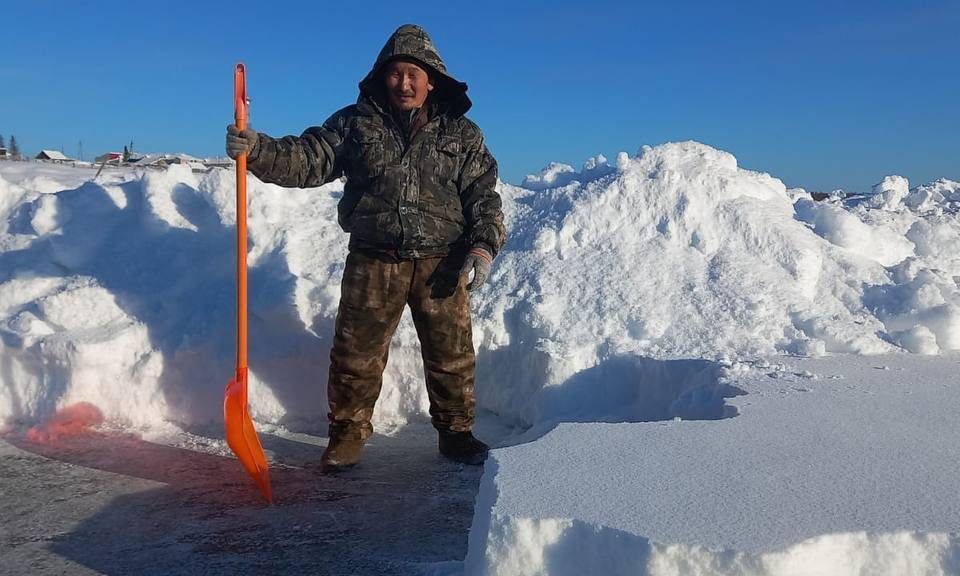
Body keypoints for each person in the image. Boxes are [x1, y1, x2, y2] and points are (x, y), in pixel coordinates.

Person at [225, 24, 505, 471]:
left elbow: (482, 194)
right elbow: (308, 159)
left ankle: (456, 433)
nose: (404, 83)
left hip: (442, 263)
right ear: (381, 76)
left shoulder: (462, 133)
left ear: (432, 80)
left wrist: (484, 245)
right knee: (355, 355)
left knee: (451, 355)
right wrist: (257, 149)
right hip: (374, 259)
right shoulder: (355, 124)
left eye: (414, 74)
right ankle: (347, 436)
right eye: (395, 73)